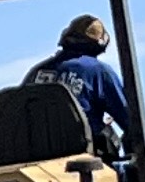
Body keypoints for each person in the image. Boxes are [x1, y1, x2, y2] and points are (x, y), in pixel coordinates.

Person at [30, 15, 133, 163]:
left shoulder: (36, 72)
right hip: (85, 164)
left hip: (35, 165)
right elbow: (131, 120)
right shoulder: (98, 71)